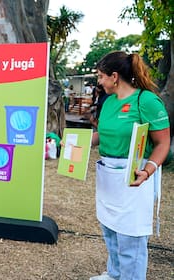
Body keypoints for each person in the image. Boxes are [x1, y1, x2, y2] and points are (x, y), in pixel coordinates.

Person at [90, 51, 170, 280]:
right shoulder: (109, 102)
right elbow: (102, 135)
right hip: (108, 175)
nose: (99, 81)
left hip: (135, 176)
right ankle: (115, 274)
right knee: (110, 229)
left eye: (101, 76)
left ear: (114, 76)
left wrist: (148, 170)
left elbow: (163, 142)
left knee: (130, 237)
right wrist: (76, 142)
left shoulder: (145, 101)